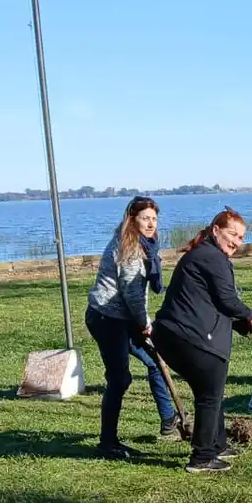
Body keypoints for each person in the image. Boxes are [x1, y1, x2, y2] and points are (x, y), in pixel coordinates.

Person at [151, 208, 252, 474]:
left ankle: (218, 444)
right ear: (215, 230)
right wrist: (250, 315)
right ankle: (202, 457)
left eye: (241, 237)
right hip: (190, 337)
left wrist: (240, 325)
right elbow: (227, 299)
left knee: (209, 391)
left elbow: (214, 301)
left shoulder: (205, 254)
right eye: (232, 234)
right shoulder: (212, 257)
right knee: (209, 395)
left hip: (173, 334)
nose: (236, 242)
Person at [85, 195, 178, 460]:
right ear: (132, 219)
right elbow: (132, 294)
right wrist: (145, 324)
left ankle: (170, 421)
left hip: (124, 318)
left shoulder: (146, 245)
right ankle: (108, 443)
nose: (151, 224)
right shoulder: (130, 249)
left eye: (154, 219)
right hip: (107, 318)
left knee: (157, 362)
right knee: (119, 379)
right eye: (145, 218)